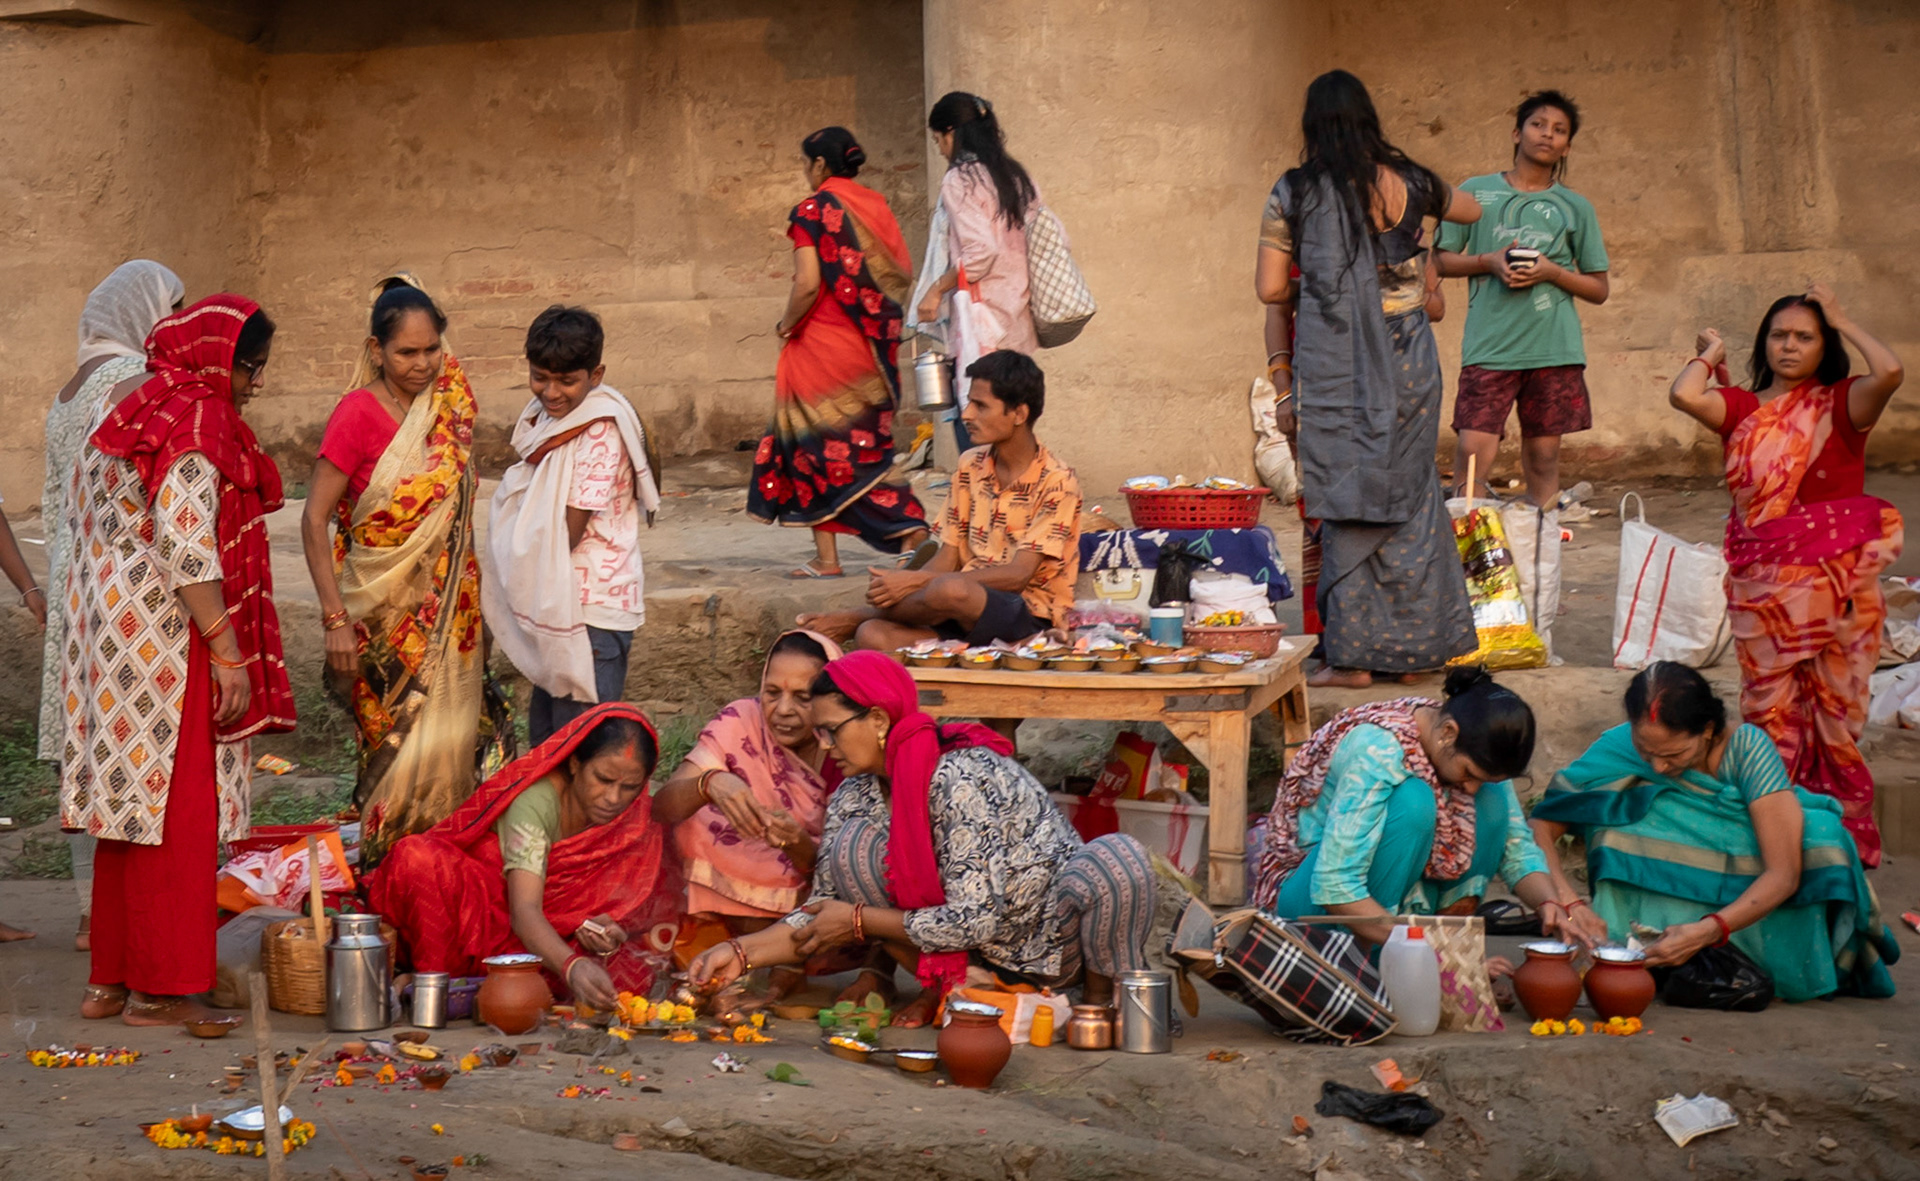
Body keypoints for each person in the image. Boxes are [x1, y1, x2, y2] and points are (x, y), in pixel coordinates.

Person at [686, 651, 1157, 1026]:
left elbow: (975, 920)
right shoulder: (856, 792)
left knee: (1116, 859)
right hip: (970, 961)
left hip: (1052, 946)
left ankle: (1096, 1008)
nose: (826, 747)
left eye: (831, 731)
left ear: (876, 719)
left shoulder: (962, 775)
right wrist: (740, 955)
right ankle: (960, 991)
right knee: (855, 849)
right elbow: (822, 909)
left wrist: (858, 921)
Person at [60, 294, 295, 1024]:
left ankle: (112, 980)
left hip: (109, 628)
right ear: (216, 359)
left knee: (126, 808)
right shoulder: (195, 420)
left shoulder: (131, 404)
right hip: (171, 634)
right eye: (248, 368)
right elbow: (188, 546)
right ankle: (165, 987)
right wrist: (226, 649)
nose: (253, 384)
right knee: (175, 808)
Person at [1256, 69, 1482, 688]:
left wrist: (1328, 281)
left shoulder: (1294, 192)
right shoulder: (1408, 180)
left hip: (1337, 368)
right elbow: (1472, 205)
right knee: (1411, 501)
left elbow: (1271, 288)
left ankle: (1353, 661)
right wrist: (1425, 240)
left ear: (1311, 125)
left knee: (1351, 499)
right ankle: (1416, 658)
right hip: (1409, 357)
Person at [1668, 283, 1904, 865]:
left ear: (1825, 345)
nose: (1790, 346)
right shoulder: (1746, 410)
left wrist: (1844, 316)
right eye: (1779, 336)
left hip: (1839, 586)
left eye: (1805, 336)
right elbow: (1684, 395)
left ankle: (1831, 837)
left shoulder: (1842, 404)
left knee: (1836, 714)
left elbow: (1892, 370)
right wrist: (1709, 355)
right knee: (1770, 711)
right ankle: (1774, 832)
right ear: (1764, 342)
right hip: (1765, 589)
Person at [301, 274, 513, 869]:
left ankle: (445, 880)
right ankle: (393, 882)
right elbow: (313, 520)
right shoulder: (356, 414)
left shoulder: (445, 410)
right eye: (405, 352)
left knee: (453, 753)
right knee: (394, 755)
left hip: (452, 619)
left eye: (431, 350)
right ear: (376, 350)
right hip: (380, 619)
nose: (421, 364)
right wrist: (334, 618)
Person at [1531, 663, 1898, 1001]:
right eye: (1646, 752)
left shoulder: (1746, 749)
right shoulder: (1619, 745)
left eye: (1674, 754)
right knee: (1615, 831)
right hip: (1688, 885)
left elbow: (1784, 874)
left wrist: (1707, 932)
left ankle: (1765, 956)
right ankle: (1634, 948)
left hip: (1755, 897)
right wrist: (1569, 902)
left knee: (1818, 841)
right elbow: (1541, 825)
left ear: (1707, 731)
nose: (1658, 765)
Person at [39, 259, 185, 955]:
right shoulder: (129, 383)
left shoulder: (68, 390)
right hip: (119, 578)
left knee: (85, 750)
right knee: (125, 749)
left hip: (73, 582)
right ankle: (110, 920)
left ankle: (88, 913)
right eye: (172, 306)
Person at [1251, 667, 1608, 950]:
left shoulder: (1464, 744)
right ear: (1448, 733)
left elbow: (1518, 852)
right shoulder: (1376, 748)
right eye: (1469, 773)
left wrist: (1550, 904)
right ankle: (1380, 958)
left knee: (1493, 800)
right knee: (1413, 802)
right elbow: (1335, 885)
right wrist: (1432, 956)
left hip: (1391, 911)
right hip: (1313, 906)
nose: (1471, 786)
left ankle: (1440, 948)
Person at [368, 704, 681, 1010]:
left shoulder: (635, 822)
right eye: (603, 779)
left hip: (546, 939)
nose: (613, 798)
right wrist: (571, 966)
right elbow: (524, 911)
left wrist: (610, 931)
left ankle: (484, 983)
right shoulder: (534, 802)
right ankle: (439, 983)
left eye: (629, 787)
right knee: (418, 858)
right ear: (574, 764)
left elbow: (633, 912)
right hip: (484, 919)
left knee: (629, 978)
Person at [798, 350, 1080, 652]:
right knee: (873, 635)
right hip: (959, 609)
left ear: (1019, 415)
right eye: (969, 402)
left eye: (981, 406)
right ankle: (982, 648)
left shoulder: (1057, 480)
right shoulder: (970, 465)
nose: (967, 414)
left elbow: (1017, 575)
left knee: (949, 588)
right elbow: (947, 556)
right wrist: (903, 585)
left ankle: (853, 618)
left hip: (1028, 612)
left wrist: (917, 583)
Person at [747, 127, 930, 579]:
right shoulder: (877, 207)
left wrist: (785, 325)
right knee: (866, 449)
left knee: (813, 445)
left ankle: (886, 537)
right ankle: (903, 536)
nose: (805, 172)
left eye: (806, 163)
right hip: (872, 347)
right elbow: (900, 274)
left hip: (823, 347)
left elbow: (807, 283)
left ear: (821, 166)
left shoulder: (813, 209)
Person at [481, 305, 660, 748]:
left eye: (566, 380)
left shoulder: (599, 431)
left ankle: (587, 821)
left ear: (595, 374)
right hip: (558, 605)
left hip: (592, 611)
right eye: (540, 377)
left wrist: (509, 565)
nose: (551, 391)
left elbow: (563, 533)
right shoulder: (547, 420)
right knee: (547, 743)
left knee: (580, 750)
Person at [653, 630, 864, 1002]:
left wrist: (796, 842)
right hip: (734, 864)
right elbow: (662, 808)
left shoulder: (846, 745)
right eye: (772, 693)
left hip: (809, 885)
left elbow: (843, 868)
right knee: (691, 829)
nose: (782, 710)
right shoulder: (741, 720)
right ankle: (715, 946)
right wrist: (710, 782)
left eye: (803, 697)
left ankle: (775, 959)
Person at [1435, 90, 1610, 509]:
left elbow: (1599, 288)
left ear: (1567, 145)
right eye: (1538, 125)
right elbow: (1439, 260)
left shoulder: (1575, 207)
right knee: (1474, 451)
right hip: (1490, 346)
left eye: (1559, 130)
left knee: (1545, 456)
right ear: (1516, 133)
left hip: (1553, 347)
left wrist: (1552, 272)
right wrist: (1488, 261)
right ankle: (1469, 556)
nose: (1547, 135)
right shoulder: (1475, 193)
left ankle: (1540, 559)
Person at [912, 91, 1041, 450]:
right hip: (1016, 322)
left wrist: (936, 289)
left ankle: (986, 506)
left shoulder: (961, 180)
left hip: (981, 328)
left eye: (938, 139)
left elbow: (980, 252)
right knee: (1015, 434)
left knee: (979, 435)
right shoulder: (1015, 176)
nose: (939, 149)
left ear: (951, 133)